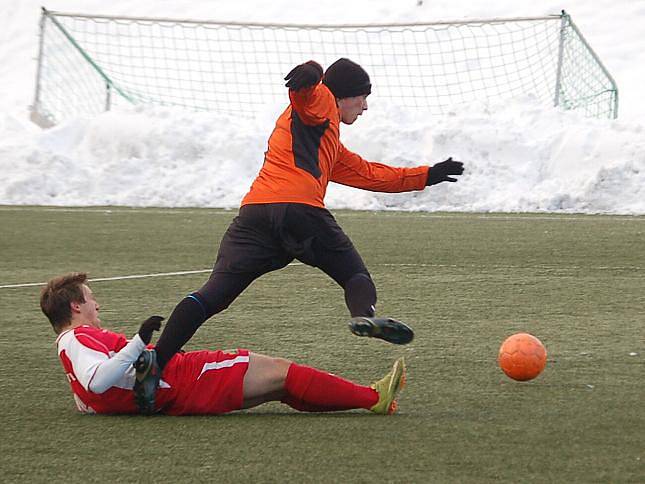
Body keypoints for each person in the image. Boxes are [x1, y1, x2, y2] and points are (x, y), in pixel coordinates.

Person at [137, 57, 464, 413]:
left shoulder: (329, 143)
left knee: (212, 296)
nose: (366, 106)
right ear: (342, 96)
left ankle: (157, 361)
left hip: (255, 216)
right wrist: (309, 77)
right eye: (362, 97)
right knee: (355, 275)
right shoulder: (322, 100)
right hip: (300, 213)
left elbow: (372, 174)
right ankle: (362, 315)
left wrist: (426, 175)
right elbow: (307, 102)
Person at [41, 272, 406, 415]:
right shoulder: (76, 338)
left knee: (278, 387)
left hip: (174, 394)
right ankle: (374, 397)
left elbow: (88, 392)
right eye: (90, 299)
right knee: (281, 371)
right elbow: (98, 381)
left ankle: (371, 398)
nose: (96, 304)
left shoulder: (69, 346)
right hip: (183, 378)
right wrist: (139, 341)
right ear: (75, 306)